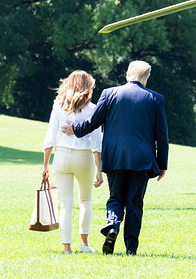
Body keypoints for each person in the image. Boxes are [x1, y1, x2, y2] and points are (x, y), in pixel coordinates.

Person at [61, 60, 169, 255]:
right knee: (135, 203)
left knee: (116, 198)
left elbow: (93, 122)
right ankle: (131, 249)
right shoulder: (156, 99)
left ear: (128, 74)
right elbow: (161, 136)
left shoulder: (109, 94)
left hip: (115, 157)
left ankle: (112, 225)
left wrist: (74, 129)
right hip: (142, 160)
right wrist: (162, 164)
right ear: (146, 78)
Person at [42, 70, 103, 254]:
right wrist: (100, 170)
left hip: (61, 156)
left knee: (66, 204)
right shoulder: (92, 109)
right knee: (85, 200)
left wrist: (44, 166)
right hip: (84, 157)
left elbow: (50, 137)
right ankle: (84, 244)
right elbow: (96, 142)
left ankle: (67, 248)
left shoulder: (58, 106)